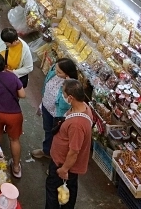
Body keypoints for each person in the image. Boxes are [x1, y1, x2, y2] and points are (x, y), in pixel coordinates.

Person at [45, 80, 92, 209]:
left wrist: (64, 169)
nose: (63, 96)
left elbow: (74, 151)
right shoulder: (85, 108)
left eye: (64, 94)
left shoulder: (77, 125)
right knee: (67, 192)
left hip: (63, 165)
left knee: (54, 193)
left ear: (71, 98)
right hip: (62, 162)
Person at [0, 52, 25, 178]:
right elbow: (23, 95)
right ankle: (16, 167)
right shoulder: (13, 77)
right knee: (14, 140)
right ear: (4, 64)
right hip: (14, 114)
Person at [32, 58, 78, 159]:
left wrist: (67, 83)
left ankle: (55, 159)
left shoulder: (71, 86)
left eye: (59, 72)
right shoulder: (54, 73)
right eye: (55, 69)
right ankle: (47, 150)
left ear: (67, 73)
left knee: (57, 136)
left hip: (57, 115)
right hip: (46, 107)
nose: (55, 72)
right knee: (47, 130)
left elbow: (64, 104)